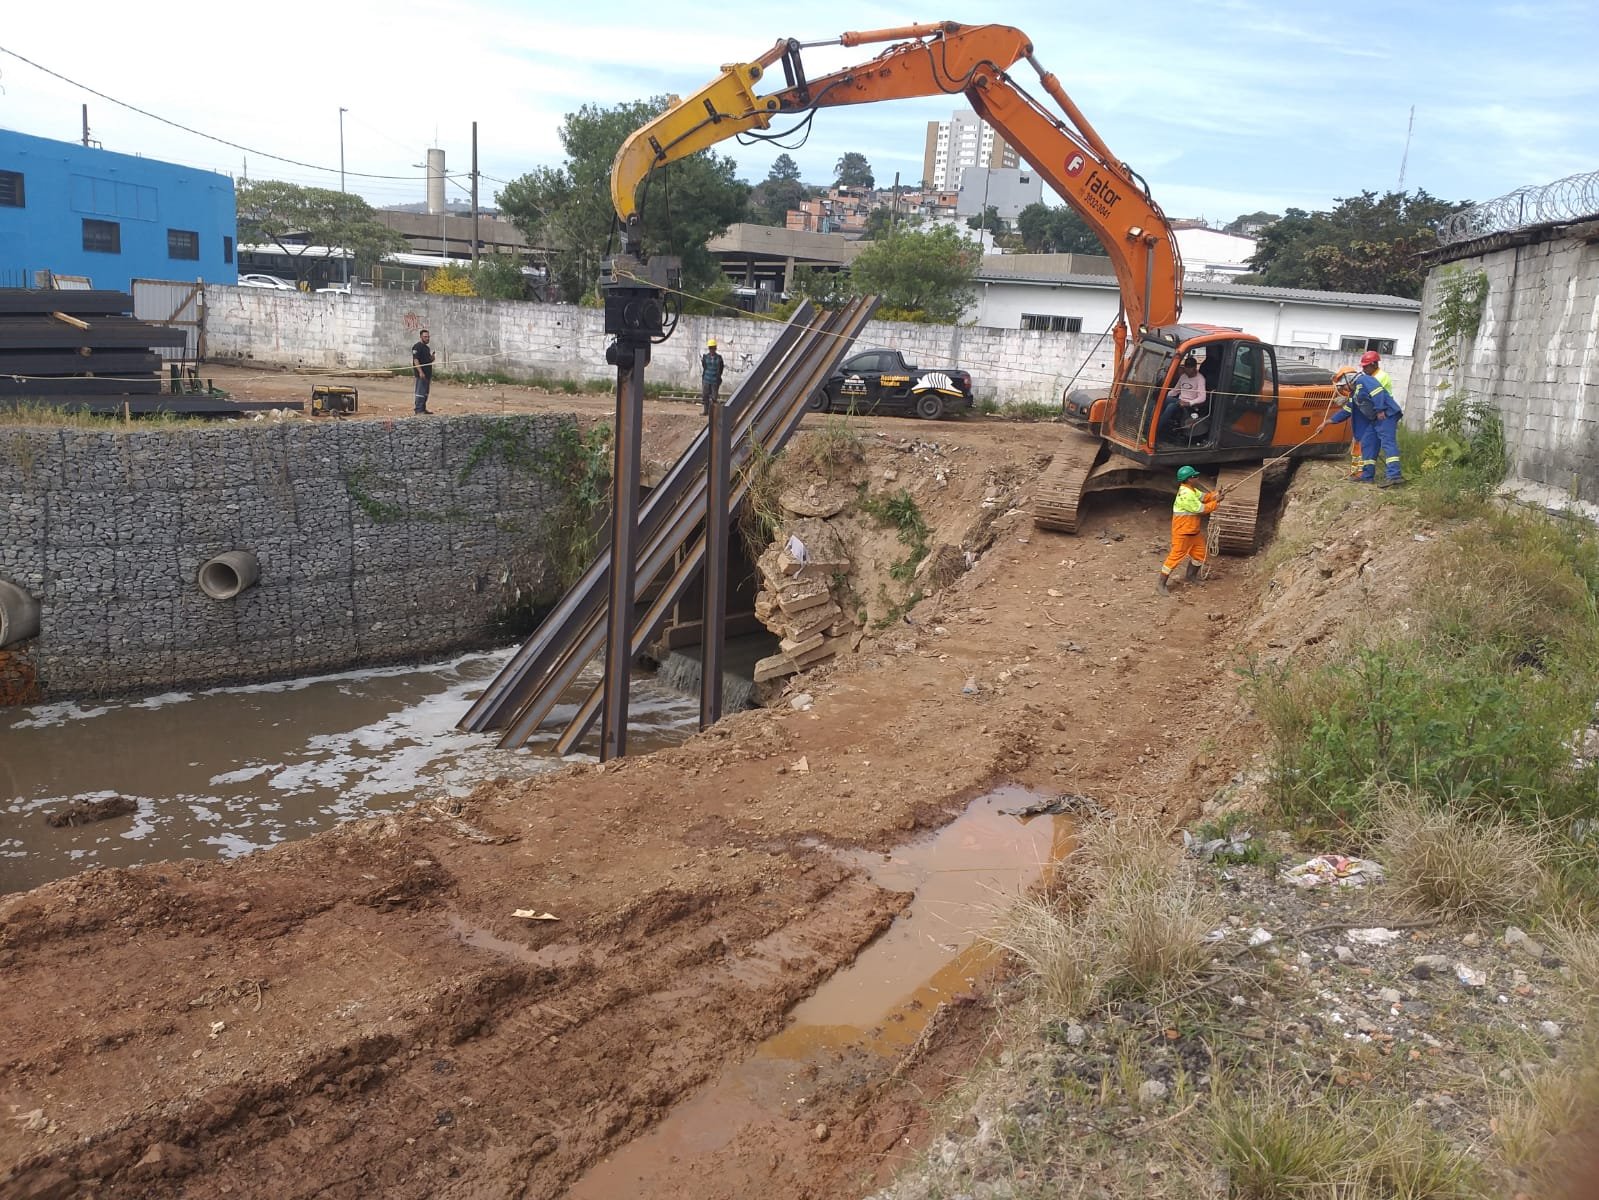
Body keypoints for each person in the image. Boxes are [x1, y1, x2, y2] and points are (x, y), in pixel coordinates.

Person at [1159, 465, 1220, 593]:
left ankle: (1191, 576)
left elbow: (1204, 497)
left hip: (1192, 531)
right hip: (1183, 532)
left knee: (1199, 554)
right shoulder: (1186, 494)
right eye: (1195, 476)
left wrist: (1216, 495)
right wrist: (1217, 503)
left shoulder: (1191, 489)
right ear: (1189, 479)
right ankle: (1161, 584)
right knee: (1174, 558)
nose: (1197, 478)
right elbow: (1201, 509)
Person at [1347, 363, 1405, 486]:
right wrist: (1329, 422)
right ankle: (1367, 475)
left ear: (1349, 381)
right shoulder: (1356, 392)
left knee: (1388, 442)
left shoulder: (1364, 380)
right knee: (1368, 442)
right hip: (1375, 419)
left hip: (1386, 414)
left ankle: (1394, 475)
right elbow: (1347, 410)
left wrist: (1379, 409)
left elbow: (1377, 392)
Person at [1158, 354, 1206, 442]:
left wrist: (1189, 403)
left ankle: (1157, 429)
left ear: (1195, 367)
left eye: (1190, 368)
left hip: (1189, 405)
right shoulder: (1183, 376)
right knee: (1161, 400)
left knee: (1171, 406)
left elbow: (1202, 397)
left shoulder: (1200, 379)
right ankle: (1151, 423)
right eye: (1186, 367)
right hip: (1179, 401)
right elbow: (1175, 390)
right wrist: (1164, 395)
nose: (1187, 370)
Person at [411, 329, 434, 415]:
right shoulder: (417, 347)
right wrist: (420, 372)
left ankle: (423, 409)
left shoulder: (427, 348)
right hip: (421, 374)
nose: (427, 338)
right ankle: (418, 410)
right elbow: (416, 360)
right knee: (420, 392)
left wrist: (432, 358)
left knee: (425, 393)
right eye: (425, 337)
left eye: (428, 337)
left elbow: (428, 360)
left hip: (427, 374)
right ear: (421, 337)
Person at [700, 337, 725, 413]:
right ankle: (705, 411)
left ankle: (713, 413)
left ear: (715, 348)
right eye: (710, 348)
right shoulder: (705, 357)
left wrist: (718, 377)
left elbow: (721, 368)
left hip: (714, 380)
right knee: (705, 395)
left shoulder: (719, 358)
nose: (711, 350)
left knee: (714, 397)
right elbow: (704, 366)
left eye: (713, 348)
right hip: (706, 379)